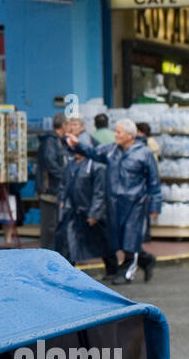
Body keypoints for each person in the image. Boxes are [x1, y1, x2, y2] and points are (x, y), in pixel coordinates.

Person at [67, 118, 161, 284]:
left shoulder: (144, 153)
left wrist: (155, 205)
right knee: (119, 239)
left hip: (135, 203)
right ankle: (146, 260)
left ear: (130, 135)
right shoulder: (111, 151)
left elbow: (153, 181)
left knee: (131, 238)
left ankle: (126, 273)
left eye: (119, 132)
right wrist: (77, 145)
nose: (115, 135)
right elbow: (93, 152)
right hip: (114, 203)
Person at [55, 148, 109, 268]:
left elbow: (99, 193)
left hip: (88, 210)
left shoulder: (95, 166)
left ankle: (112, 269)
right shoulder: (70, 164)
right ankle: (67, 270)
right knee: (69, 242)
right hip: (73, 211)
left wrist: (94, 213)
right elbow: (63, 185)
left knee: (102, 242)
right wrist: (62, 200)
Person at [36, 113, 70, 249]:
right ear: (63, 126)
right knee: (49, 227)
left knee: (53, 226)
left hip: (54, 189)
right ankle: (47, 257)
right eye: (68, 125)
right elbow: (50, 163)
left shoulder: (56, 141)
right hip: (49, 189)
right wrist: (64, 176)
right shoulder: (50, 141)